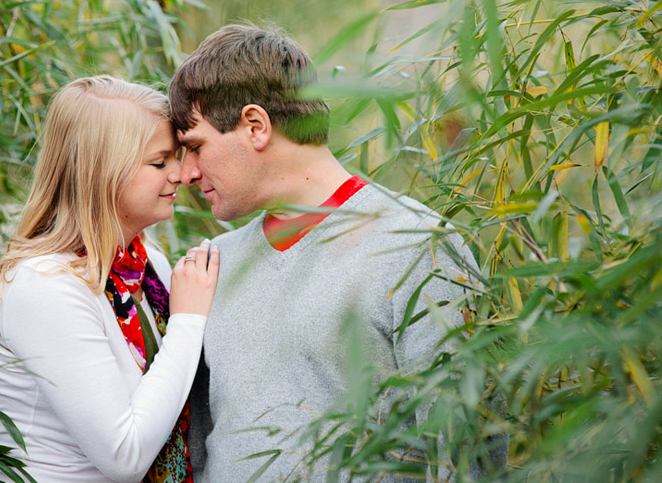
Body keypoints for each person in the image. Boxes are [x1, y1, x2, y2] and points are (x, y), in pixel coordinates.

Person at [168, 25, 484, 481]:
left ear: (255, 126)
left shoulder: (417, 246)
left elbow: (465, 448)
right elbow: (197, 447)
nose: (186, 174)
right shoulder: (213, 265)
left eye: (195, 147)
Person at [0, 76, 219, 482]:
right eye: (159, 162)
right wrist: (188, 321)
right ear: (102, 173)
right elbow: (124, 457)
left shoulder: (145, 265)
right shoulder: (45, 285)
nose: (181, 174)